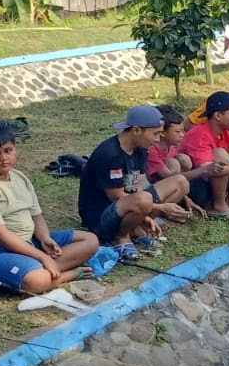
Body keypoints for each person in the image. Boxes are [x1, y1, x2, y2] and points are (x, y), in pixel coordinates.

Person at [0, 123, 100, 293]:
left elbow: (36, 215)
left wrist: (45, 238)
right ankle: (66, 274)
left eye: (8, 151)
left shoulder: (19, 176)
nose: (3, 159)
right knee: (36, 280)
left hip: (27, 241)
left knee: (90, 240)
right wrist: (43, 257)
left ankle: (44, 270)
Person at [78, 105, 193, 261]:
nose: (158, 139)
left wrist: (144, 213)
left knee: (180, 182)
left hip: (126, 205)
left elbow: (135, 186)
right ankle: (121, 237)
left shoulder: (140, 149)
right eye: (155, 134)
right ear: (137, 130)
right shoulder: (110, 154)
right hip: (100, 215)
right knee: (144, 199)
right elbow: (117, 197)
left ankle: (136, 228)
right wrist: (160, 207)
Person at [147, 106, 193, 183]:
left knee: (184, 159)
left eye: (183, 131)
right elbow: (166, 175)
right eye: (178, 132)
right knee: (173, 163)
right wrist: (200, 171)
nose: (182, 135)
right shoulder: (151, 150)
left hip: (175, 178)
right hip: (155, 185)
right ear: (162, 132)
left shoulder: (173, 146)